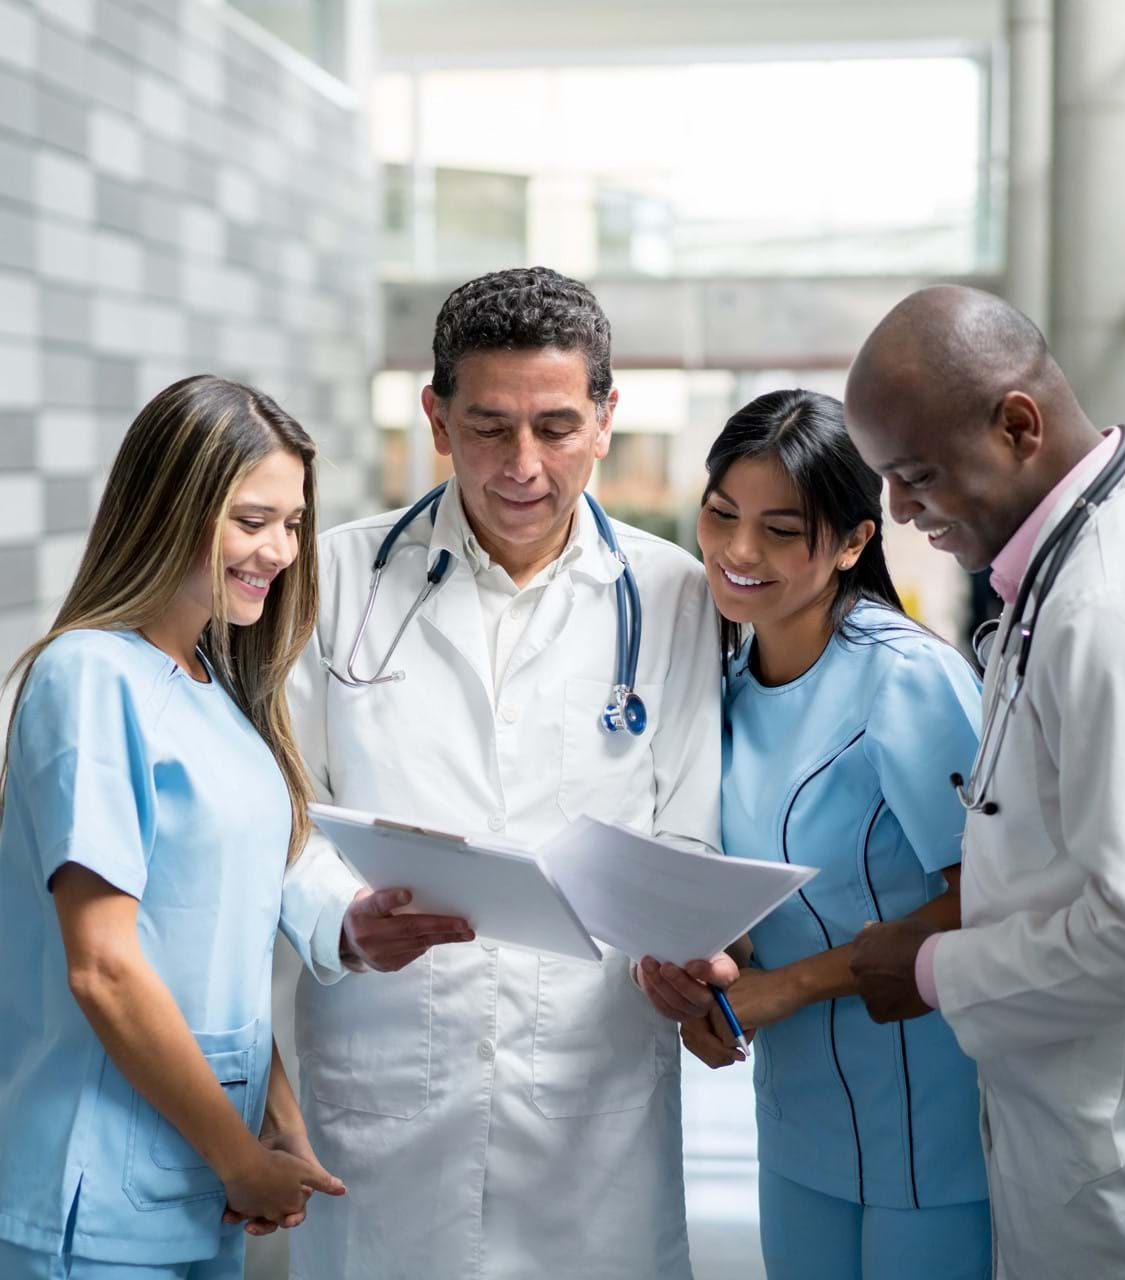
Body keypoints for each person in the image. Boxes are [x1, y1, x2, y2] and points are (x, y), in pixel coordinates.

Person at [279, 266, 724, 1280]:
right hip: (389, 1078)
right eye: (487, 426)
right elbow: (287, 812)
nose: (522, 464)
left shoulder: (673, 599)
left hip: (590, 1085)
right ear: (434, 418)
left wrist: (683, 945)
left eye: (557, 426)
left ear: (607, 417)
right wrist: (334, 921)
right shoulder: (333, 580)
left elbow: (687, 831)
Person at [843, 285, 1125, 1278]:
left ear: (1016, 423)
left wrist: (929, 967)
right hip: (1100, 1138)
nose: (900, 510)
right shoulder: (1068, 565)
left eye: (913, 475)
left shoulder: (1121, 602)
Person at [637, 389, 991, 1280]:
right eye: (721, 515)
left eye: (782, 530)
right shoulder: (722, 681)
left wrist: (789, 987)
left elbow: (988, 893)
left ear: (853, 542)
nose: (738, 551)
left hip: (930, 1111)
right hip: (799, 1112)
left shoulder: (906, 679)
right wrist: (716, 991)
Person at [0, 376, 345, 1280]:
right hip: (96, 1192)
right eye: (250, 519)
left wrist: (278, 1123)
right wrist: (238, 1156)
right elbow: (105, 967)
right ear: (168, 508)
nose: (278, 550)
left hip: (197, 1179)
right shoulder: (89, 677)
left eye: (294, 523)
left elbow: (220, 940)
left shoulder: (213, 688)